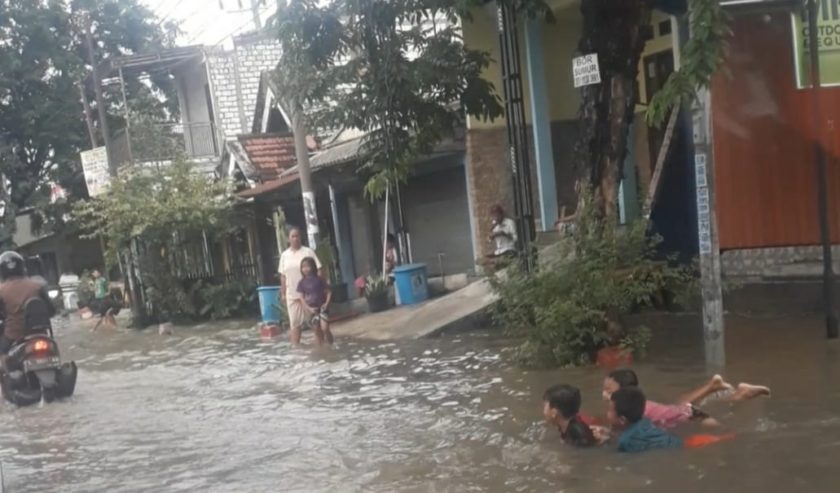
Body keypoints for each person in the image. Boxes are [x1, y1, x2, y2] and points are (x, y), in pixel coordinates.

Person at [603, 368, 771, 429]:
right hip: (686, 412)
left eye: (608, 390)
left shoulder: (631, 410)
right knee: (681, 405)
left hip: (688, 415)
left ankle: (740, 396)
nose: (604, 394)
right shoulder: (639, 404)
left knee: (728, 430)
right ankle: (733, 393)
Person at [0, 251, 55, 355]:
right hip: (41, 333)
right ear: (22, 267)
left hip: (14, 334)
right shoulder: (38, 285)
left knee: (1, 352)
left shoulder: (1, 290)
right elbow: (51, 311)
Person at [279, 227, 322, 344]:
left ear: (301, 237)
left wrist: (318, 288)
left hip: (309, 295)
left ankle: (321, 348)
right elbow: (283, 276)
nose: (295, 238)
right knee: (295, 325)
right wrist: (283, 293)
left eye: (297, 236)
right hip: (292, 295)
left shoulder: (308, 252)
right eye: (293, 236)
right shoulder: (284, 255)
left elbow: (319, 269)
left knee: (315, 324)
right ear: (288, 239)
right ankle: (296, 353)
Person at [609, 386, 683, 453]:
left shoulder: (625, 442)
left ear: (622, 420)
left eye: (610, 410)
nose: (607, 413)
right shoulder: (644, 420)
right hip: (676, 442)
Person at [297, 257, 334, 345]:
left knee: (325, 328)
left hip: (322, 308)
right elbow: (301, 298)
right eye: (303, 267)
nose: (305, 269)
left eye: (307, 266)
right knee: (317, 331)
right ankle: (321, 349)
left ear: (313, 267)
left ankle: (331, 344)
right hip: (311, 310)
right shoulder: (301, 282)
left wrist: (326, 303)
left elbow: (329, 292)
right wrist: (308, 308)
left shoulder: (319, 279)